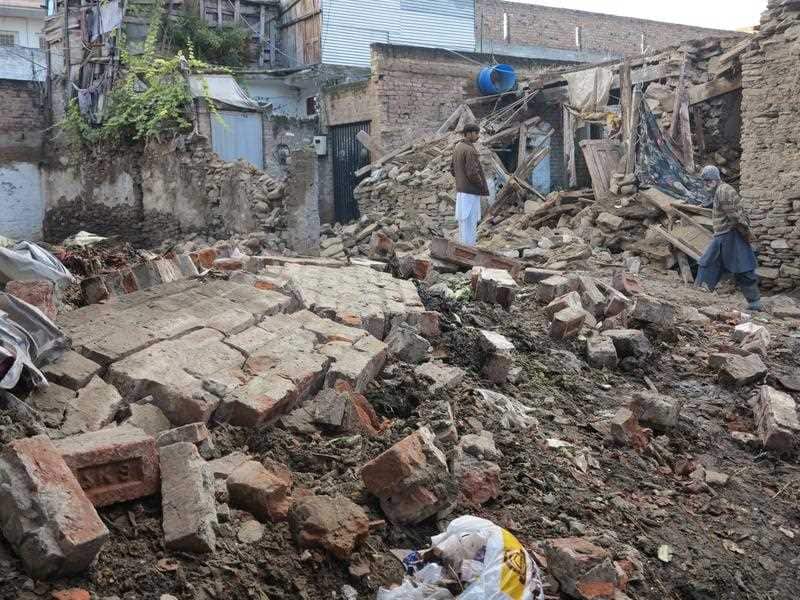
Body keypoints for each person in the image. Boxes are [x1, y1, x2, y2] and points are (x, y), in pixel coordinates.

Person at [695, 165, 764, 311]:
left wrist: (746, 233)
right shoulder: (720, 190)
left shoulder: (723, 191)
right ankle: (697, 297)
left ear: (714, 179)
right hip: (724, 235)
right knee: (708, 264)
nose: (705, 184)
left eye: (707, 180)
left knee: (742, 268)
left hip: (730, 235)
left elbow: (734, 216)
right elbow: (721, 205)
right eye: (704, 181)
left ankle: (755, 303)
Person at [450, 123, 489, 246]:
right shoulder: (470, 150)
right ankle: (469, 249)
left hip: (462, 191)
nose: (478, 136)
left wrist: (461, 179)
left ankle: (463, 247)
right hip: (470, 191)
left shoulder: (458, 147)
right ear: (469, 134)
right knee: (470, 222)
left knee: (463, 222)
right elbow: (472, 172)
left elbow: (452, 169)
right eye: (476, 133)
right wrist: (481, 184)